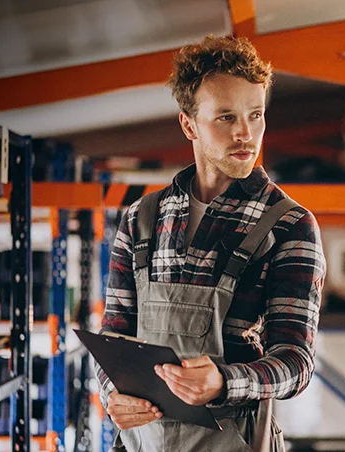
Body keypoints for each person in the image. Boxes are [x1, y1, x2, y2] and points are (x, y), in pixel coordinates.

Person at [95, 35, 326, 451]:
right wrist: (112, 395)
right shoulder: (140, 219)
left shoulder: (290, 226)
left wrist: (224, 381)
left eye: (255, 115)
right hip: (144, 443)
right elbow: (114, 338)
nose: (245, 133)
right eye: (225, 117)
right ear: (189, 124)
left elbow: (297, 364)